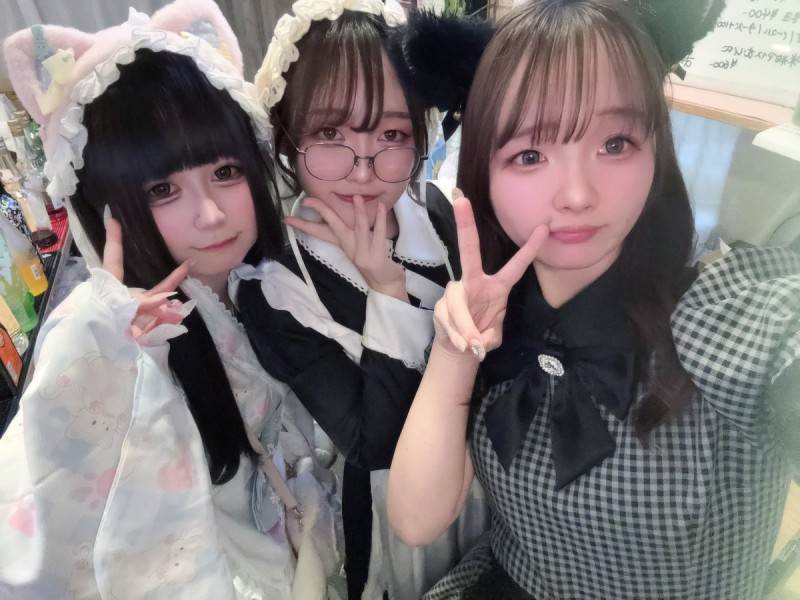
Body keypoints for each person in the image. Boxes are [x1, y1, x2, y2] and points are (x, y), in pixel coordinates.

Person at [387, 1, 800, 598]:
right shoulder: (490, 320)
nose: (578, 195)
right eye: (530, 155)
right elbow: (416, 521)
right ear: (485, 174)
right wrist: (455, 354)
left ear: (656, 149)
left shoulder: (719, 314)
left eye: (615, 143)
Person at [0, 1, 334, 597]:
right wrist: (105, 356)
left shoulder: (263, 279)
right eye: (161, 189)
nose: (210, 214)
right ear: (103, 207)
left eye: (226, 172)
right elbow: (40, 515)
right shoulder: (108, 338)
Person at [234, 1, 490, 598]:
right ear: (288, 138)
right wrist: (387, 289)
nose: (363, 169)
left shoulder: (440, 215)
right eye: (330, 134)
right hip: (392, 523)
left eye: (392, 134)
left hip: (484, 482)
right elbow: (375, 443)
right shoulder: (275, 287)